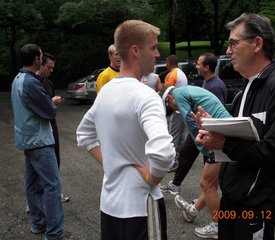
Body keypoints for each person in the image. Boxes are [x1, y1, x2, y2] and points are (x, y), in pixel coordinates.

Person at [195, 13, 275, 240]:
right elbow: (243, 139)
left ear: (257, 44)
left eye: (233, 43)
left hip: (254, 211)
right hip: (232, 202)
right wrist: (212, 131)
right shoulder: (247, 87)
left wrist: (225, 143)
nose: (228, 51)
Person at [76, 20, 175, 240]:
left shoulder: (106, 91)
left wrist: (111, 163)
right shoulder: (146, 96)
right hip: (141, 207)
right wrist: (153, 178)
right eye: (153, 47)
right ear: (135, 50)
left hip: (110, 206)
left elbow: (84, 134)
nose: (157, 54)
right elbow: (164, 152)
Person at [162, 52, 228, 239]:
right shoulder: (191, 89)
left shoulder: (179, 94)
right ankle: (193, 210)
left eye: (170, 107)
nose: (172, 110)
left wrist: (205, 149)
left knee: (208, 183)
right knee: (212, 182)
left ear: (169, 99)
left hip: (218, 137)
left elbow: (191, 126)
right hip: (220, 134)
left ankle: (218, 226)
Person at [11, 43, 66, 240]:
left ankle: (38, 223)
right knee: (52, 186)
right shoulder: (31, 83)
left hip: (27, 140)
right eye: (41, 57)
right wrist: (53, 103)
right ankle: (54, 233)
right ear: (36, 59)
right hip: (40, 141)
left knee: (33, 184)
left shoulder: (18, 79)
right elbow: (48, 111)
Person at [36, 52, 70, 203]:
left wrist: (54, 103)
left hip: (52, 126)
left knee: (55, 160)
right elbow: (36, 108)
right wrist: (51, 102)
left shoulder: (49, 83)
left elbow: (50, 108)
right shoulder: (33, 84)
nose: (51, 70)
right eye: (49, 67)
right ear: (40, 64)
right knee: (39, 165)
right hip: (38, 131)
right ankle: (35, 200)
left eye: (53, 68)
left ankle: (56, 192)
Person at [164, 55, 188, 171]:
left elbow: (167, 92)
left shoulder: (172, 74)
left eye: (166, 62)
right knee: (180, 137)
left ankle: (173, 163)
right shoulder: (181, 73)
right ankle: (181, 160)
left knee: (172, 136)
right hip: (183, 108)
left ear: (169, 62)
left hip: (175, 109)